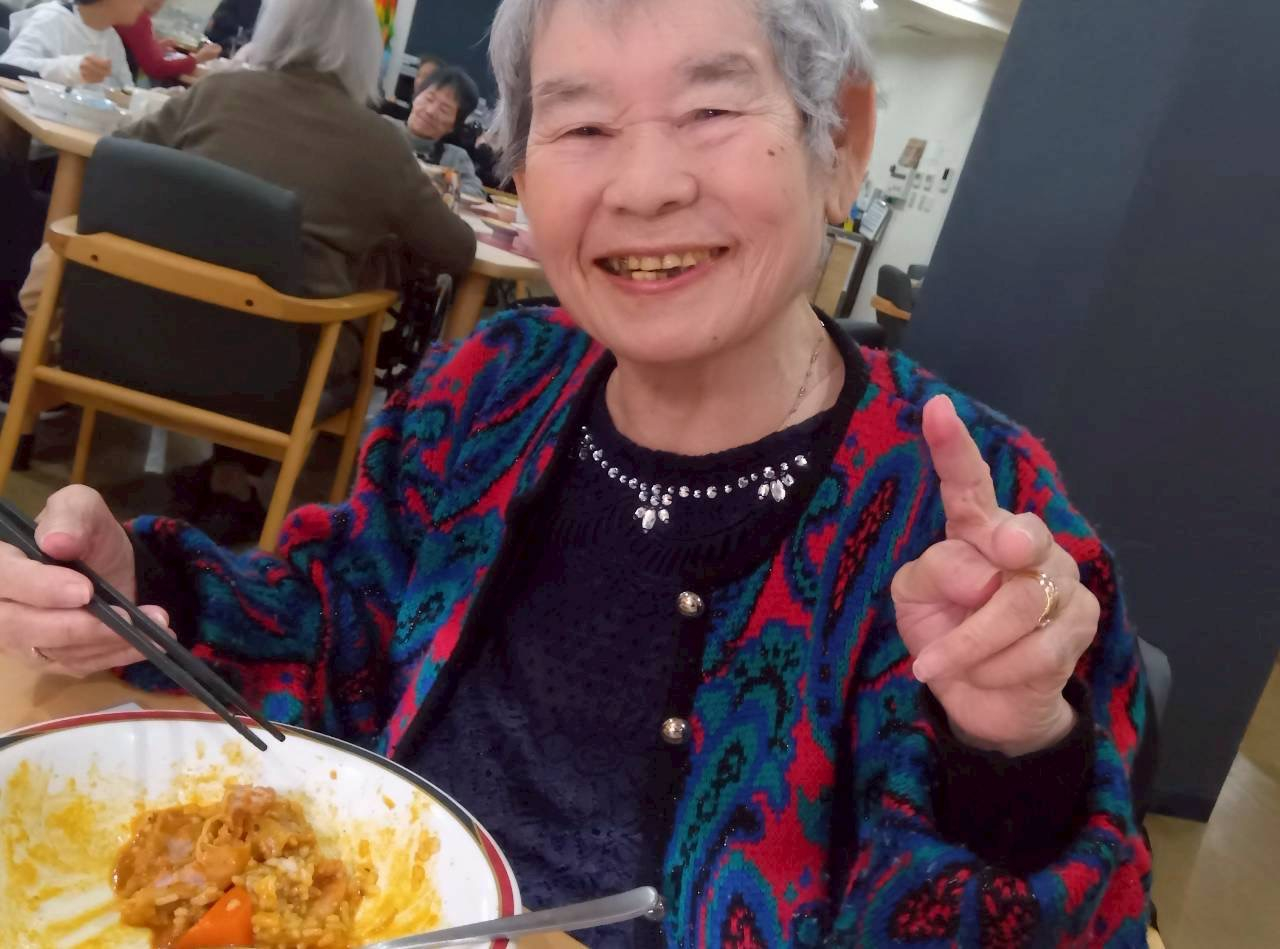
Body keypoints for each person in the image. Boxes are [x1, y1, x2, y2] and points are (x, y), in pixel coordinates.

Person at [0, 0, 1153, 945]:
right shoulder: (493, 383)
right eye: (583, 123)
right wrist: (143, 589)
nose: (642, 186)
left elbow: (1055, 915)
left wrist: (1009, 755)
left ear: (838, 140)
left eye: (709, 109)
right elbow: (340, 620)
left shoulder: (969, 515)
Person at [17, 0, 476, 541]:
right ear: (366, 54)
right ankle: (242, 482)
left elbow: (117, 159)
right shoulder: (380, 145)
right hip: (277, 378)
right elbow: (456, 250)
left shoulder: (215, 94)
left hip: (131, 335)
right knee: (346, 298)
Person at [0, 0, 140, 87]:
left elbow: (126, 89)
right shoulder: (52, 18)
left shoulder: (112, 38)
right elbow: (8, 64)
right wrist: (70, 68)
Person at [400, 65, 486, 198]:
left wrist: (438, 184)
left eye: (444, 110)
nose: (430, 111)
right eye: (429, 99)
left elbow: (477, 193)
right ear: (415, 98)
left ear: (454, 126)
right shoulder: (380, 129)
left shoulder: (455, 158)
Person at [115, 0, 222, 85]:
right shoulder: (137, 16)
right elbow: (157, 68)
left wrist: (154, 47)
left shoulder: (125, 10)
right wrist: (198, 58)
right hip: (118, 87)